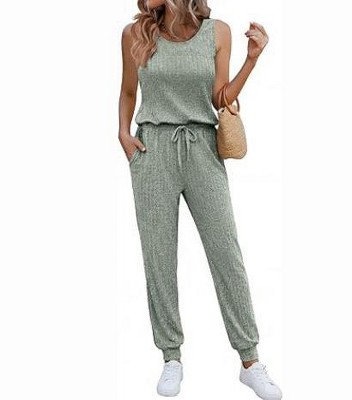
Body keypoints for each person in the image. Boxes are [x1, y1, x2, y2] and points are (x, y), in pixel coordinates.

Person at [118, 1, 282, 399]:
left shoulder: (216, 32)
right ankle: (171, 356)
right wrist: (123, 133)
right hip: (153, 149)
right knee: (158, 255)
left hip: (203, 148)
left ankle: (250, 360)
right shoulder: (135, 33)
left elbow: (220, 97)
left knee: (226, 252)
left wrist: (252, 60)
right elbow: (127, 90)